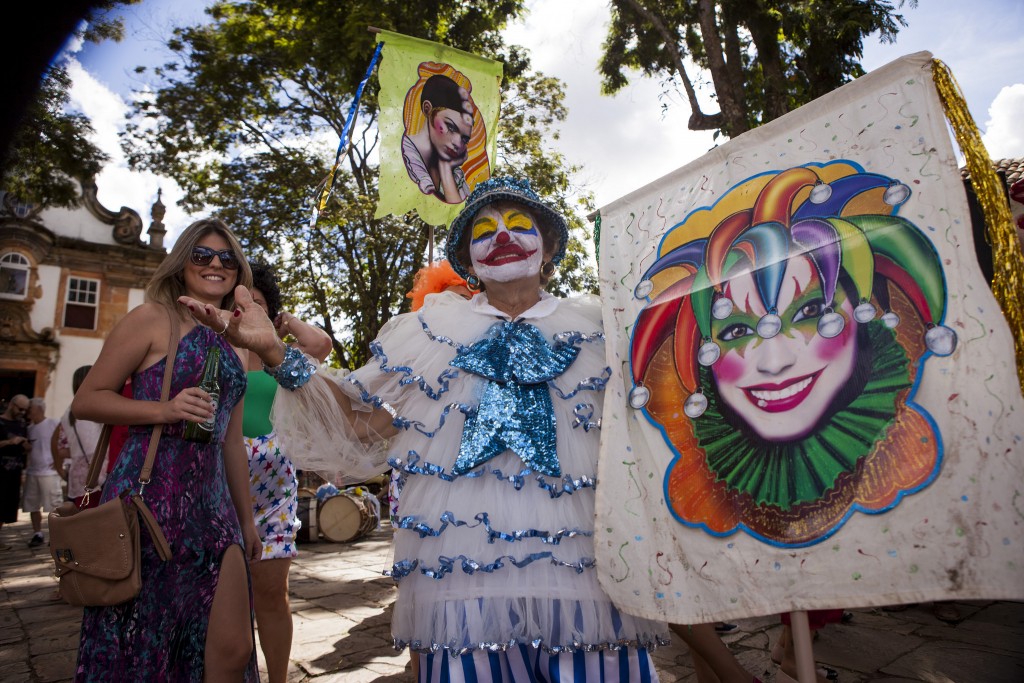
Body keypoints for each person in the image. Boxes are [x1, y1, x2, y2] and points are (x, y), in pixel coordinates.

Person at [184, 177, 671, 682]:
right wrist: (275, 352)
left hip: (582, 569)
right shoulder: (427, 333)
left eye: (519, 224)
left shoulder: (602, 330)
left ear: (548, 247)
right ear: (466, 257)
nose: (502, 236)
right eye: (484, 229)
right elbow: (358, 422)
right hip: (458, 572)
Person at [629, 166, 958, 547]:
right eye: (736, 332)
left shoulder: (897, 436)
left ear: (865, 311)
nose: (774, 361)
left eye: (810, 313)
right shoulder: (713, 470)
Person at [71, 217, 261, 681]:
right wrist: (165, 409)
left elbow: (231, 440)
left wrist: (247, 518)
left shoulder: (234, 341)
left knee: (234, 649)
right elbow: (87, 400)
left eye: (227, 258)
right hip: (151, 500)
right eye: (203, 255)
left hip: (213, 504)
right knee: (147, 641)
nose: (216, 264)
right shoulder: (152, 318)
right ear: (182, 263)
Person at [244, 262, 332, 683]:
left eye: (254, 301)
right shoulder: (209, 345)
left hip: (273, 489)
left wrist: (280, 319)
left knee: (271, 594)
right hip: (217, 483)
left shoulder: (277, 355)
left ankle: (276, 678)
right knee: (220, 597)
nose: (244, 307)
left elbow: (321, 343)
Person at [402, 73, 475, 203]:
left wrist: (446, 168)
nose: (458, 143)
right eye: (451, 127)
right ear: (427, 109)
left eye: (464, 139)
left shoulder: (456, 175)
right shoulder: (403, 158)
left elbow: (460, 213)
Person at [52, 366, 105, 510]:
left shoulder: (69, 412)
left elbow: (61, 450)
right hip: (98, 474)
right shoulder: (95, 406)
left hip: (78, 476)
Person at [22, 397, 60, 548]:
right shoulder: (29, 429)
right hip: (33, 472)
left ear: (38, 409)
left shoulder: (53, 423)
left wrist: (60, 462)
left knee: (53, 505)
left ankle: (56, 536)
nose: (28, 411)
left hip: (49, 472)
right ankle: (37, 533)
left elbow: (63, 441)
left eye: (30, 408)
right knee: (32, 505)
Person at [0, 395, 31, 550]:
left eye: (25, 410)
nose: (22, 412)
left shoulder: (22, 424)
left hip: (15, 470)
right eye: (20, 409)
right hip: (1, 469)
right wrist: (9, 442)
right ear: (12, 405)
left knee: (6, 505)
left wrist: (26, 446)